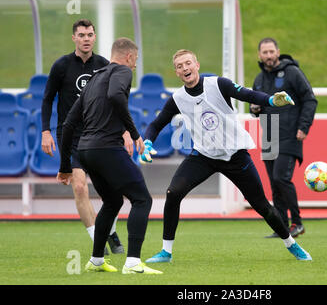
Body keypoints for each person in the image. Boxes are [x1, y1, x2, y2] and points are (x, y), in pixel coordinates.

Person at [142, 49, 312, 263]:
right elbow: (156, 124)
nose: (185, 68)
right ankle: (166, 252)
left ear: (197, 65)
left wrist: (271, 101)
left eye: (188, 63)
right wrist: (147, 141)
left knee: (261, 205)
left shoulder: (218, 84)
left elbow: (248, 95)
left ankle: (291, 244)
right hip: (203, 155)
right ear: (176, 72)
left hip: (235, 154)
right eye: (179, 66)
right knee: (173, 193)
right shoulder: (178, 98)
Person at [57, 37, 162, 275]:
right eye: (135, 61)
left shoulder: (94, 79)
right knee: (142, 199)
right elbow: (116, 95)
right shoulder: (123, 71)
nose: (135, 66)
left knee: (113, 201)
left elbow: (69, 123)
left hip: (86, 151)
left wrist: (65, 165)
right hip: (106, 148)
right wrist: (134, 133)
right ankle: (133, 263)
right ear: (128, 57)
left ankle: (96, 261)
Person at [41, 19, 127, 254]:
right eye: (81, 35)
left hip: (100, 134)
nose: (86, 38)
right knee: (79, 187)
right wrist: (45, 131)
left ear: (95, 37)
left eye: (90, 34)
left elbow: (115, 100)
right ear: (74, 38)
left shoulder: (104, 65)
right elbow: (47, 99)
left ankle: (110, 232)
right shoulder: (61, 65)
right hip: (70, 135)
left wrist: (126, 131)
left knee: (113, 189)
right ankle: (97, 241)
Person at [250, 38, 317, 238]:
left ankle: (297, 223)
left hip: (290, 134)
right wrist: (254, 109)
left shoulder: (292, 72)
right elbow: (256, 108)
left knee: (281, 178)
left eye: (271, 51)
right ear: (259, 55)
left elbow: (310, 99)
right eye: (265, 52)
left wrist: (304, 127)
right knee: (274, 184)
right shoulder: (259, 80)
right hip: (269, 135)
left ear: (278, 52)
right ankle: (282, 228)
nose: (268, 56)